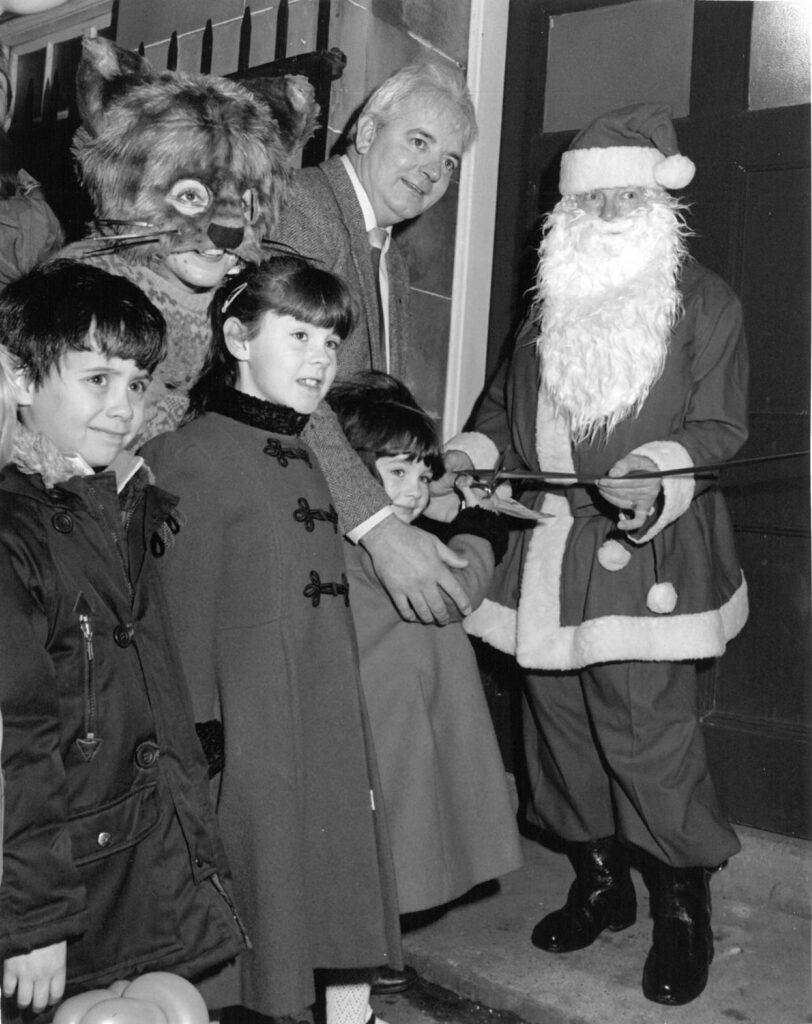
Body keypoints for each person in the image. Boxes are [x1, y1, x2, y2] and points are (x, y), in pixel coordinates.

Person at [447, 104, 748, 1007]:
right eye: (593, 201)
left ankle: (682, 907)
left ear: (659, 200)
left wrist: (656, 470)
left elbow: (721, 425)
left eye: (626, 195)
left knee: (647, 739)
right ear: (568, 213)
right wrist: (468, 454)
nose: (609, 213)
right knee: (561, 735)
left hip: (647, 551)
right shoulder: (543, 316)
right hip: (548, 552)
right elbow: (502, 417)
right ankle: (600, 882)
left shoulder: (705, 300)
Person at [141, 257, 402, 1024]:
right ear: (238, 338)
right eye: (298, 336)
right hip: (246, 721)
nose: (320, 359)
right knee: (262, 906)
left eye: (331, 342)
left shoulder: (304, 451)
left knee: (340, 881)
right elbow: (177, 612)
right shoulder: (190, 456)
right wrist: (200, 738)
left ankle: (352, 1017)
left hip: (319, 709)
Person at [0, 260, 246, 1020]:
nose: (123, 406)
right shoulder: (16, 532)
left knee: (166, 1002)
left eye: (137, 383)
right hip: (50, 872)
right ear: (18, 379)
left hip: (122, 846)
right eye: (98, 379)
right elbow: (11, 733)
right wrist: (32, 921)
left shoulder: (114, 504)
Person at [276, 60, 481, 658]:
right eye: (419, 142)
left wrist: (423, 473)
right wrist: (379, 528)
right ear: (367, 134)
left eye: (448, 162)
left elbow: (365, 407)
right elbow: (293, 394)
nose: (432, 172)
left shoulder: (389, 252)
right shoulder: (304, 208)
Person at [327, 371, 524, 920]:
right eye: (397, 472)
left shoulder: (338, 537)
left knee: (368, 895)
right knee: (379, 886)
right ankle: (354, 1002)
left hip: (384, 730)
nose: (414, 490)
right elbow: (450, 591)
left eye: (422, 472)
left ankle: (357, 996)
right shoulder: (381, 553)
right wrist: (481, 529)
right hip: (391, 740)